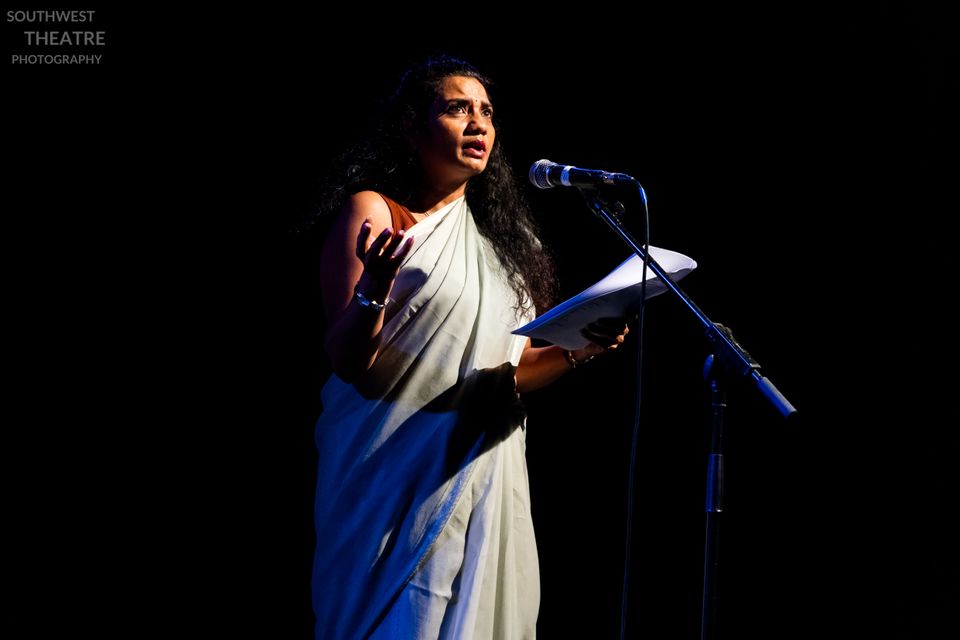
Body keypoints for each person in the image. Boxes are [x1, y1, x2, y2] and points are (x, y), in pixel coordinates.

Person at [311, 54, 630, 639]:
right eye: (458, 109)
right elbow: (349, 360)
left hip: (480, 475)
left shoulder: (505, 251)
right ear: (411, 127)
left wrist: (576, 349)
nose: (479, 123)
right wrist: (375, 287)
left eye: (486, 111)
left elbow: (505, 376)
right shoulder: (378, 213)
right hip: (390, 482)